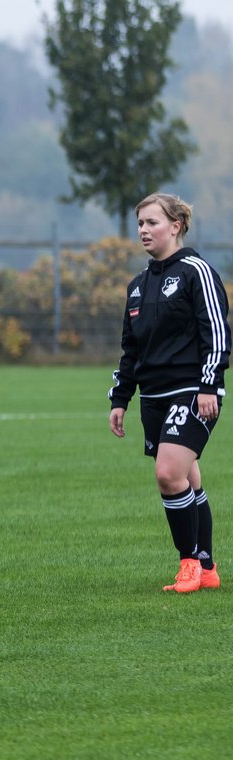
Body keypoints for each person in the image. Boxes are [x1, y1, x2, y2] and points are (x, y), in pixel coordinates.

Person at [109, 192, 230, 593]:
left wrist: (210, 384)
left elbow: (216, 333)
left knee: (168, 474)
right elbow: (131, 349)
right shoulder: (138, 286)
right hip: (153, 398)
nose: (144, 229)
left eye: (152, 222)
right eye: (140, 223)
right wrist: (121, 399)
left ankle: (189, 563)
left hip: (194, 391)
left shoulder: (196, 271)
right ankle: (209, 568)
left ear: (175, 226)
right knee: (189, 479)